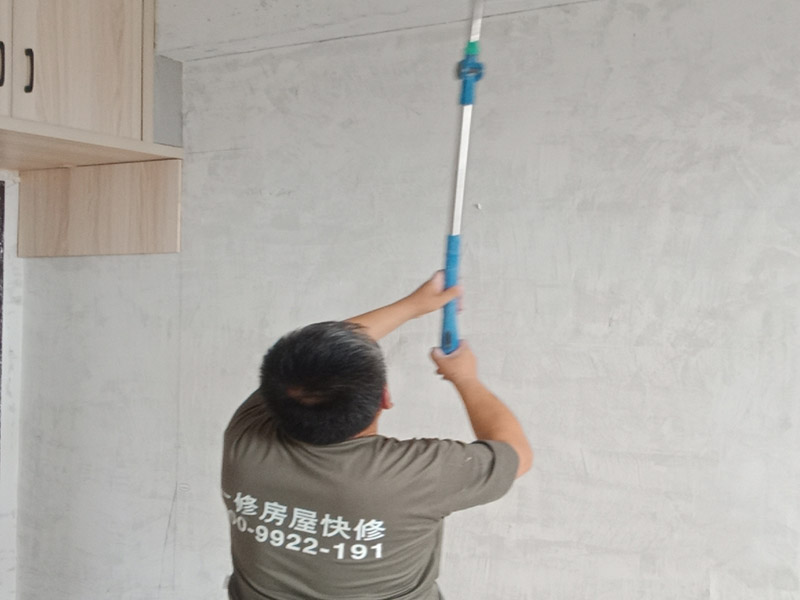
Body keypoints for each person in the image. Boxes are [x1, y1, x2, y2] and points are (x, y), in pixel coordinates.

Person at [221, 272, 533, 600]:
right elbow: (516, 454)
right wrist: (466, 378)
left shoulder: (245, 437)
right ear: (385, 398)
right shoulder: (414, 476)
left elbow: (313, 357)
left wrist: (413, 305)